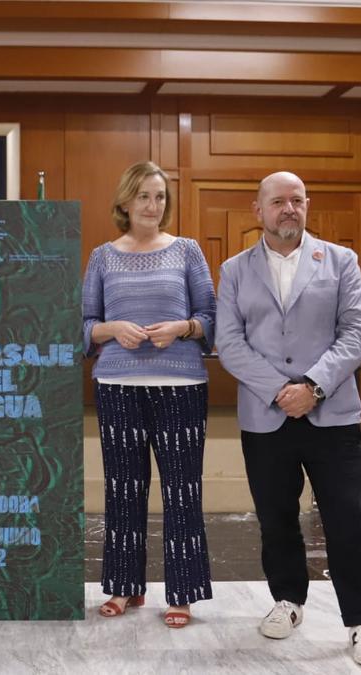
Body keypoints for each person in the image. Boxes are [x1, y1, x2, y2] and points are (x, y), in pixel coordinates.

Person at [214, 171, 361, 668]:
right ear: (258, 210)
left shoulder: (340, 261)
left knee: (347, 522)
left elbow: (356, 332)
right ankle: (288, 601)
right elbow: (230, 342)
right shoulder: (235, 269)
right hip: (265, 419)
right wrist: (278, 391)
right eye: (277, 202)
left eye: (296, 200)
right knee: (276, 519)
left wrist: (311, 387)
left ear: (306, 205)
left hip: (331, 416)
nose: (288, 208)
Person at [81, 161, 216, 628]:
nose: (152, 205)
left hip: (181, 387)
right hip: (117, 387)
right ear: (124, 202)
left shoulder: (188, 251)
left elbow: (210, 319)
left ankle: (182, 593)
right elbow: (82, 328)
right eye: (143, 196)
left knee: (183, 491)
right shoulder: (102, 256)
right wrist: (111, 329)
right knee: (123, 490)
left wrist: (184, 327)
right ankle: (125, 585)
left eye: (159, 197)